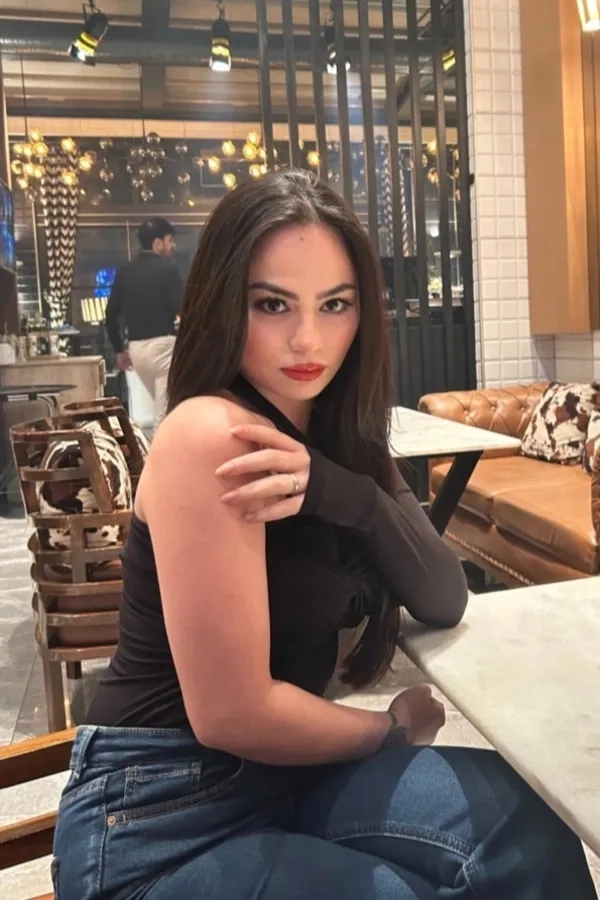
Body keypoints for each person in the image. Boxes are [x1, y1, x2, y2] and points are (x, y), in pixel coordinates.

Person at [52, 170, 597, 900]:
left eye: (335, 304)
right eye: (272, 304)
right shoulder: (212, 435)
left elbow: (444, 596)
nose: (308, 338)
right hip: (159, 813)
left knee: (521, 830)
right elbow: (233, 714)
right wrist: (389, 729)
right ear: (224, 303)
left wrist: (347, 492)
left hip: (286, 779)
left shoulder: (339, 431)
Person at [105, 216, 183, 430]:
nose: (173, 246)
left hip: (137, 351)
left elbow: (110, 315)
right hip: (164, 348)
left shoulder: (124, 273)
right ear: (157, 244)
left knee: (161, 408)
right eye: (170, 240)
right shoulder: (168, 270)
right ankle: (161, 451)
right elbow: (184, 310)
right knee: (165, 415)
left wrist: (119, 349)